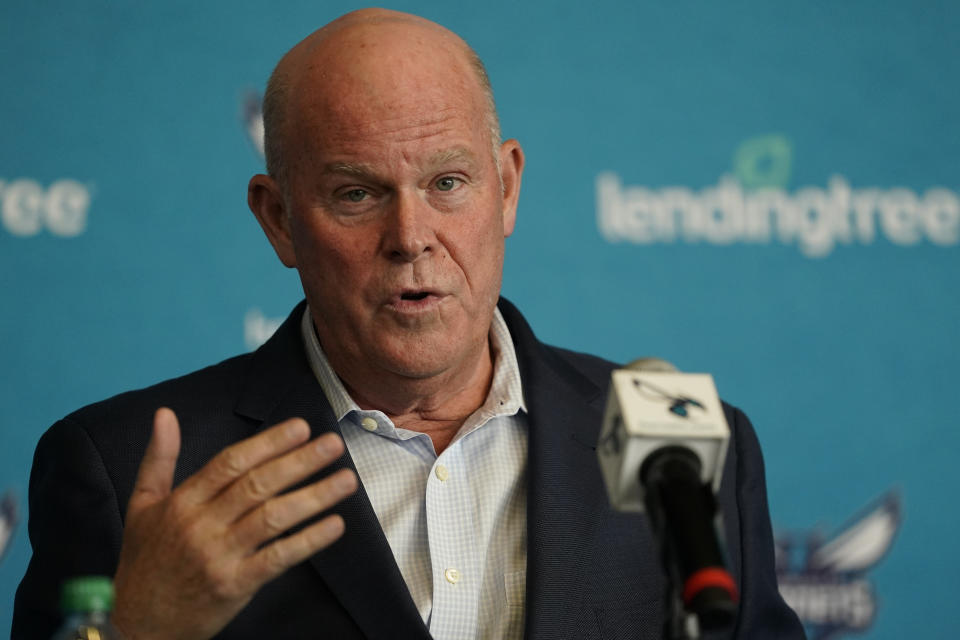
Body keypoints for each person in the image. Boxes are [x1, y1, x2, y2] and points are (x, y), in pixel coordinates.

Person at [13, 8, 805, 640]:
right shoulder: (122, 473)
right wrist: (133, 633)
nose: (411, 236)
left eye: (449, 181)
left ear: (508, 188)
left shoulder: (690, 449)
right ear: (279, 220)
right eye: (357, 193)